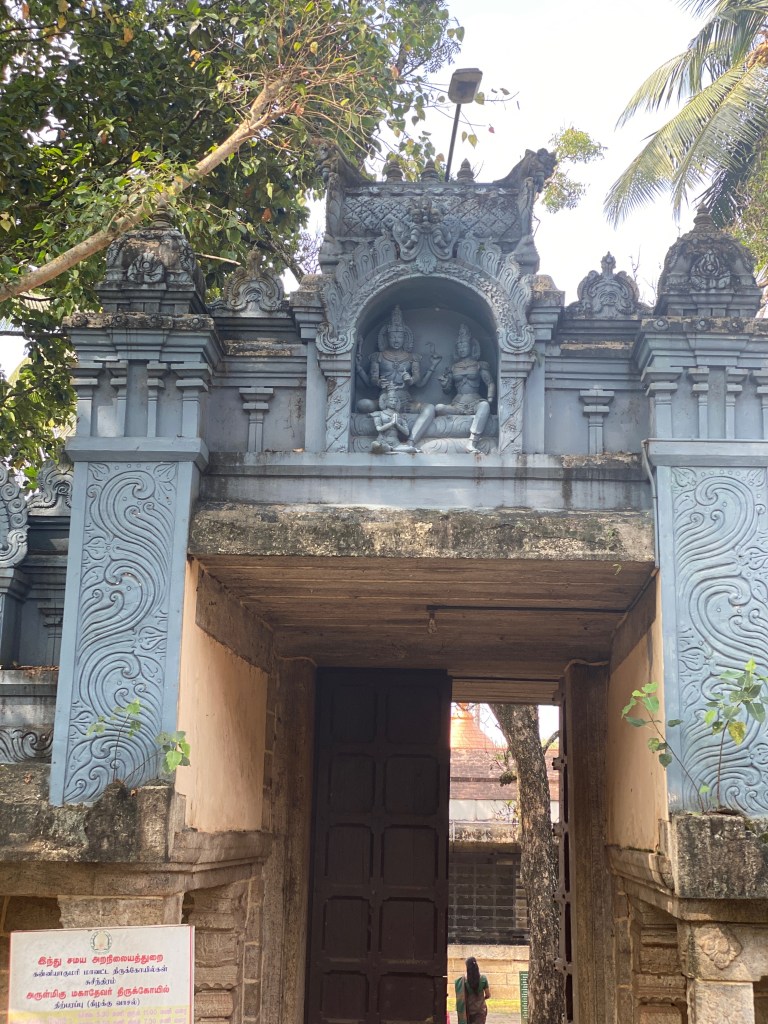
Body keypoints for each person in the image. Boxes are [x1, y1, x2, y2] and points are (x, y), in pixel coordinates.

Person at [436, 324, 494, 453]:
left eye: (465, 345)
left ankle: (472, 441)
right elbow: (448, 390)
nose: (462, 348)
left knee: (484, 406)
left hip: (475, 401)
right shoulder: (453, 367)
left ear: (471, 347)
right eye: (460, 346)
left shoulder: (479, 365)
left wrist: (489, 399)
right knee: (438, 408)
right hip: (457, 404)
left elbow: (490, 383)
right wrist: (444, 383)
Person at [455, 956, 491, 1024]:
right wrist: (482, 999)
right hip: (480, 1010)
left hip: (468, 1010)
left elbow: (462, 996)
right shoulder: (483, 978)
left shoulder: (464, 980)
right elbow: (488, 995)